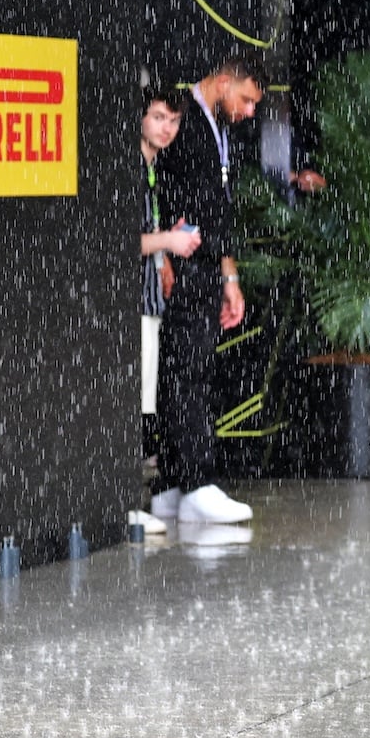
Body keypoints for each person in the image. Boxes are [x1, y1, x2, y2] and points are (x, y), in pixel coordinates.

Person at [151, 52, 263, 527]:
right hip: (180, 263)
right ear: (222, 83)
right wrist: (162, 253)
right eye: (246, 99)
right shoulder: (185, 120)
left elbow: (217, 210)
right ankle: (193, 480)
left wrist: (230, 277)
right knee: (185, 374)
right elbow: (160, 190)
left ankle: (175, 484)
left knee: (189, 370)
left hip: (205, 263)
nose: (249, 112)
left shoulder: (218, 127)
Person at [133, 87, 200, 535]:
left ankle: (136, 498)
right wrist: (167, 243)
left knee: (145, 404)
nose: (166, 129)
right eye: (158, 117)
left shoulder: (154, 169)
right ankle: (126, 501)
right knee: (133, 403)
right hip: (133, 304)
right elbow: (124, 240)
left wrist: (164, 251)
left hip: (150, 299)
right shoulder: (133, 169)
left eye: (173, 121)